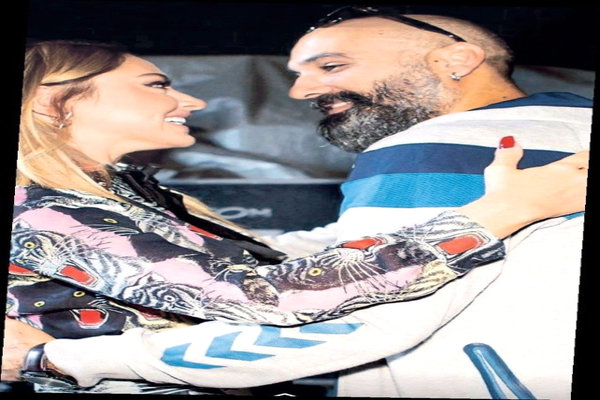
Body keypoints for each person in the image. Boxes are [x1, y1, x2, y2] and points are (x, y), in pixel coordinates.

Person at [2, 8, 591, 397]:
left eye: (330, 66)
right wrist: (495, 214)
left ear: (456, 60)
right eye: (157, 84)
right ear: (52, 104)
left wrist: (56, 360)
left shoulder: (434, 145)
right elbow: (273, 296)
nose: (301, 90)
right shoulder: (42, 210)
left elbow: (312, 288)